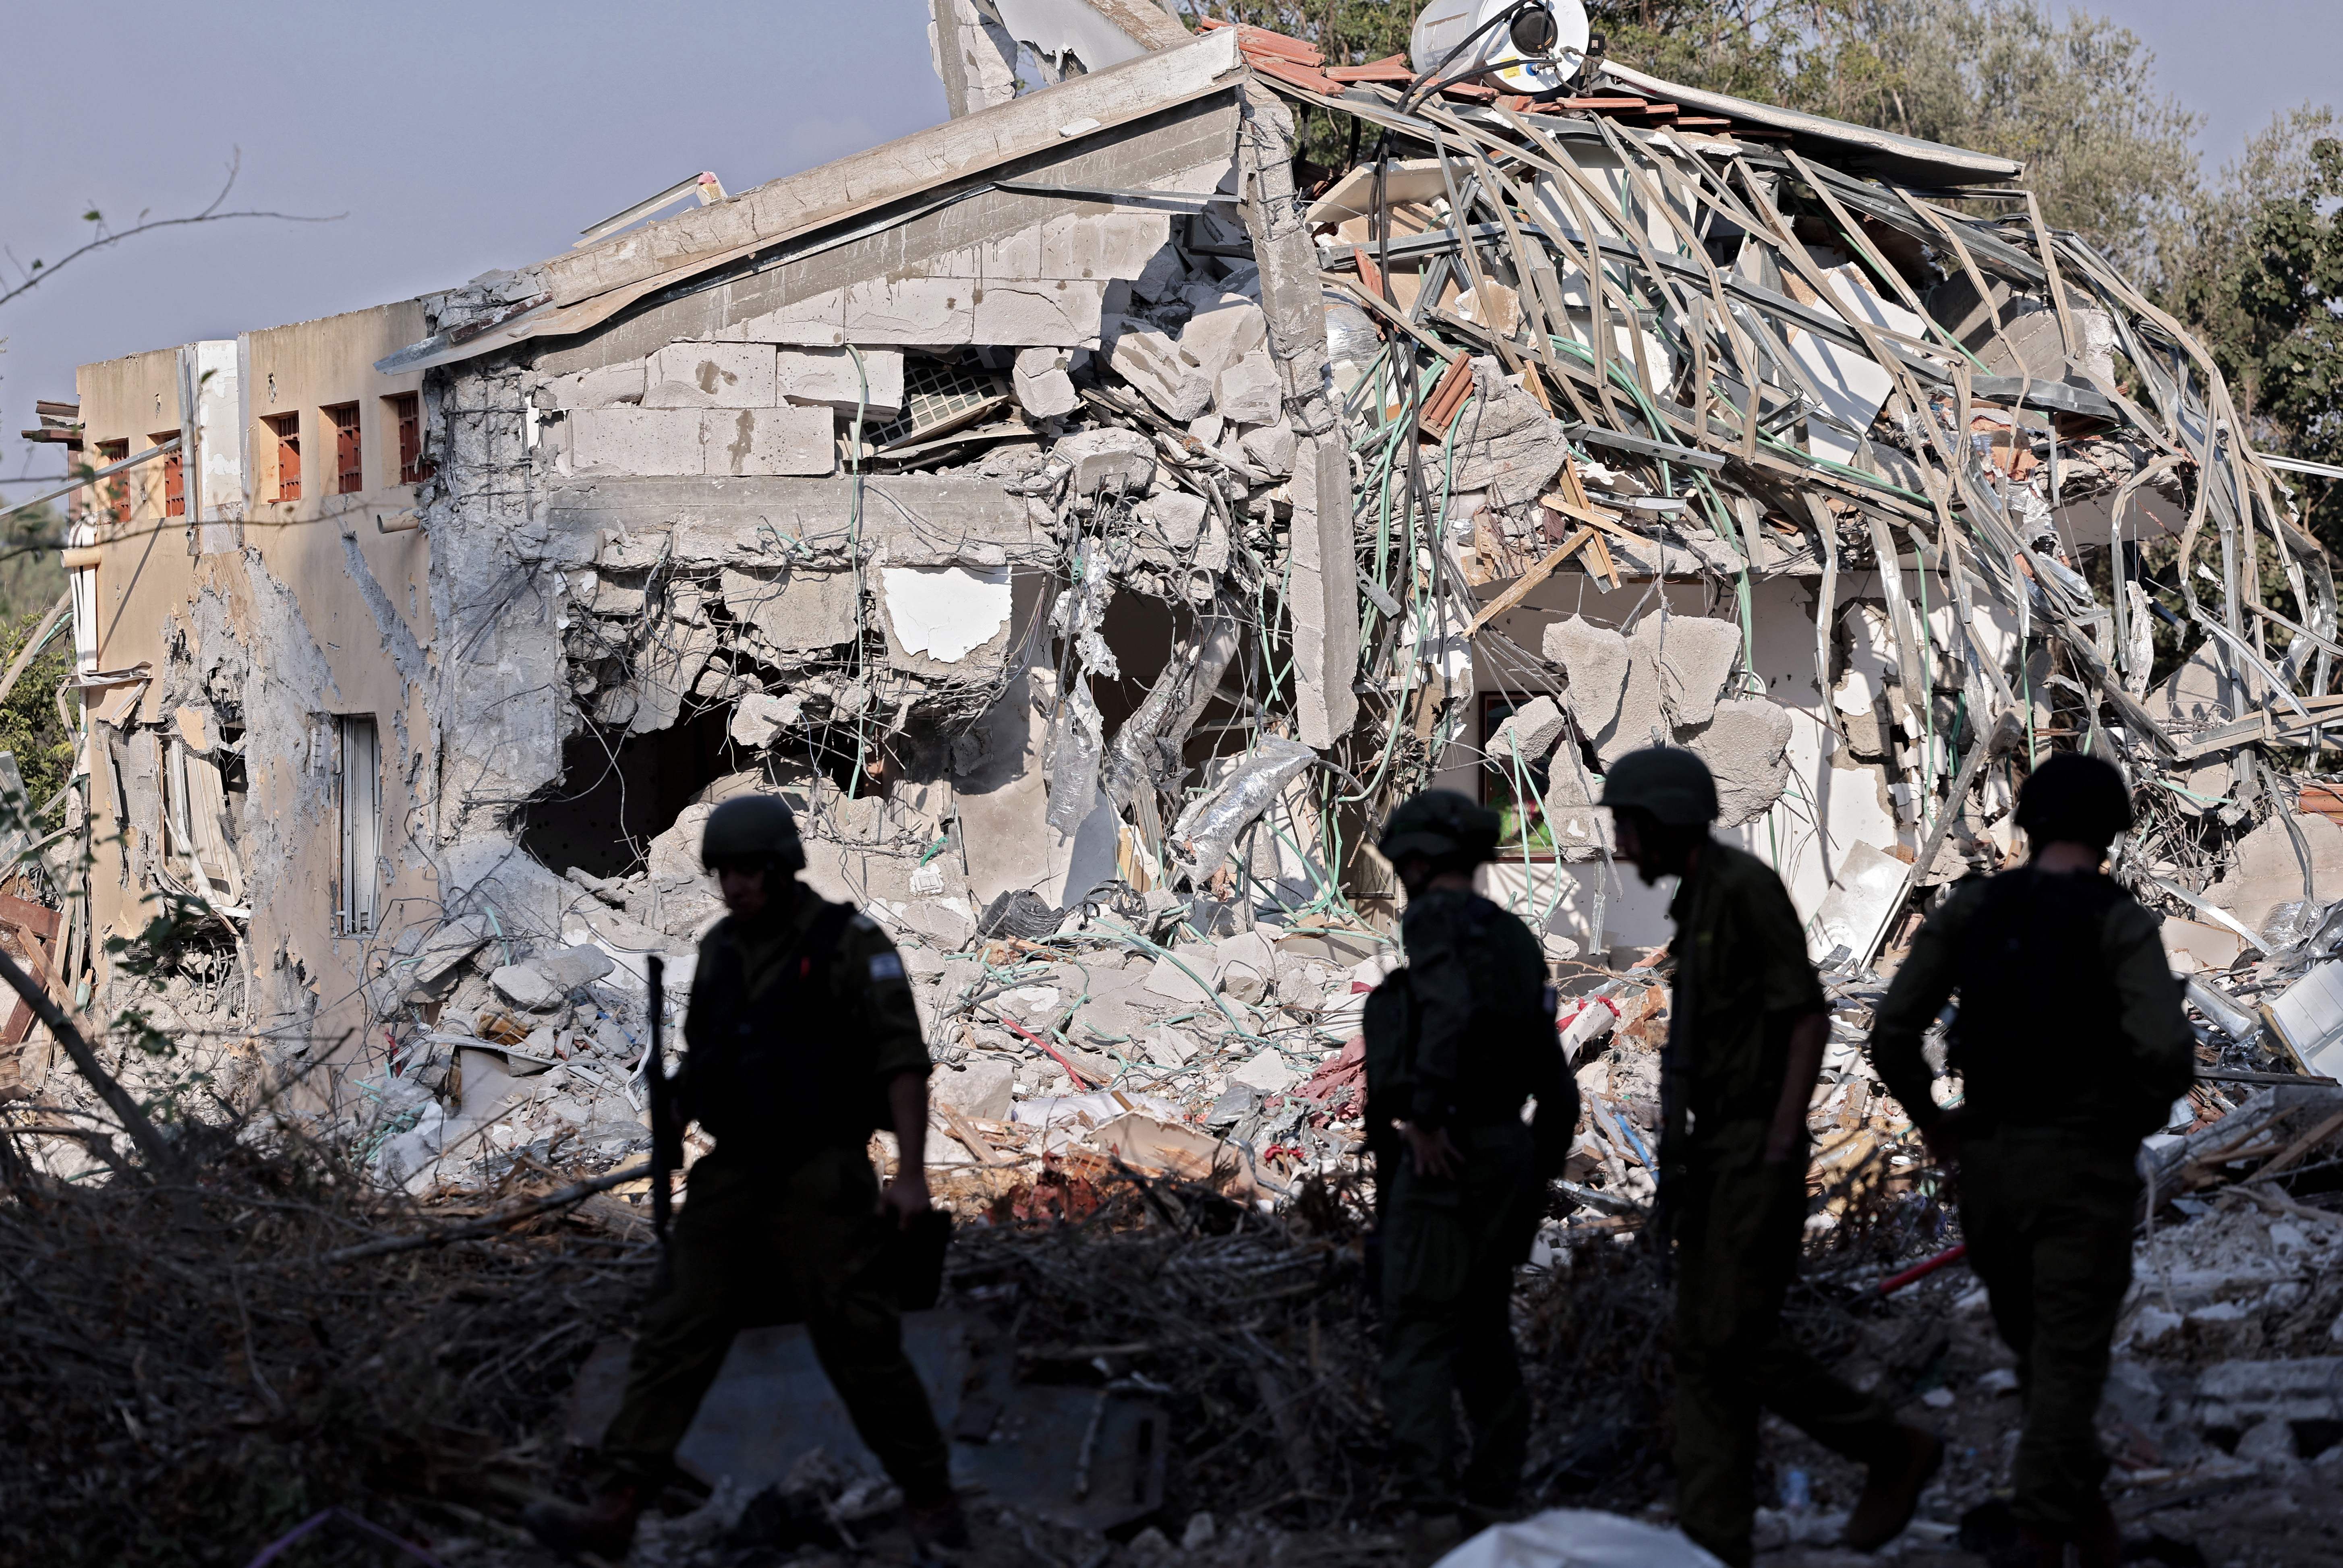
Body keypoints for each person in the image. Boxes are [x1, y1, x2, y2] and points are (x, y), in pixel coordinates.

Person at [524, 794, 966, 1558]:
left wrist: (912, 1177)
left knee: (859, 1338)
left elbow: (902, 1065)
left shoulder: (848, 943)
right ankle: (620, 1503)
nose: (735, 886)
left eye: (749, 870)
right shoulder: (722, 950)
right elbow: (709, 1059)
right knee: (674, 1329)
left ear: (782, 866)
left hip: (821, 1172)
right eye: (724, 872)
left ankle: (931, 1498)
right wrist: (675, 1106)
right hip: (734, 1175)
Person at [1602, 746, 1939, 1568]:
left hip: (1753, 1151)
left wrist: (1780, 1141)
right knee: (1706, 1345)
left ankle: (1885, 1450)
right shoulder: (1700, 900)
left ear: (1660, 823)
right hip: (1712, 1156)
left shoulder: (1743, 892)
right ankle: (1714, 1535)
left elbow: (1804, 1019)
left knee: (1727, 1343)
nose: (1618, 847)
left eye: (1625, 827)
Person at [1869, 751, 2192, 1568]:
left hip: (1985, 1170)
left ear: (2028, 823)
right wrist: (2123, 1128)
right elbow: (2164, 1054)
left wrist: (1936, 1127)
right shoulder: (2116, 922)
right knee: (2065, 1372)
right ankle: (2036, 1538)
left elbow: (1892, 1035)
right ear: (2112, 832)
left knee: (2043, 1367)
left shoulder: (1969, 910)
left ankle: (2093, 1539)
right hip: (2080, 1176)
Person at [1364, 789, 1576, 1560]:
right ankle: (1494, 1496)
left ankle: (1432, 1515)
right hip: (1507, 1154)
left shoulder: (1433, 920)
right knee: (1485, 1330)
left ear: (1417, 863)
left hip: (1447, 1154)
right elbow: (1558, 1087)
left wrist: (1424, 1116)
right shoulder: (1519, 941)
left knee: (1420, 1332)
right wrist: (1531, 1179)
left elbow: (1446, 1007)